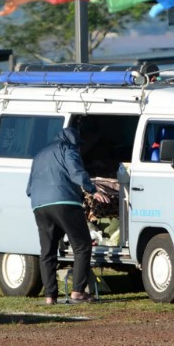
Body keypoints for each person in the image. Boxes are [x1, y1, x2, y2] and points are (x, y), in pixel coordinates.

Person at [26, 127, 110, 305]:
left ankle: (50, 296)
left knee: (47, 252)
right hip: (65, 202)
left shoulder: (39, 154)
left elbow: (29, 187)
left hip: (39, 205)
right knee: (82, 246)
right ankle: (78, 292)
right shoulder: (68, 148)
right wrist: (92, 190)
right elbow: (76, 172)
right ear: (74, 142)